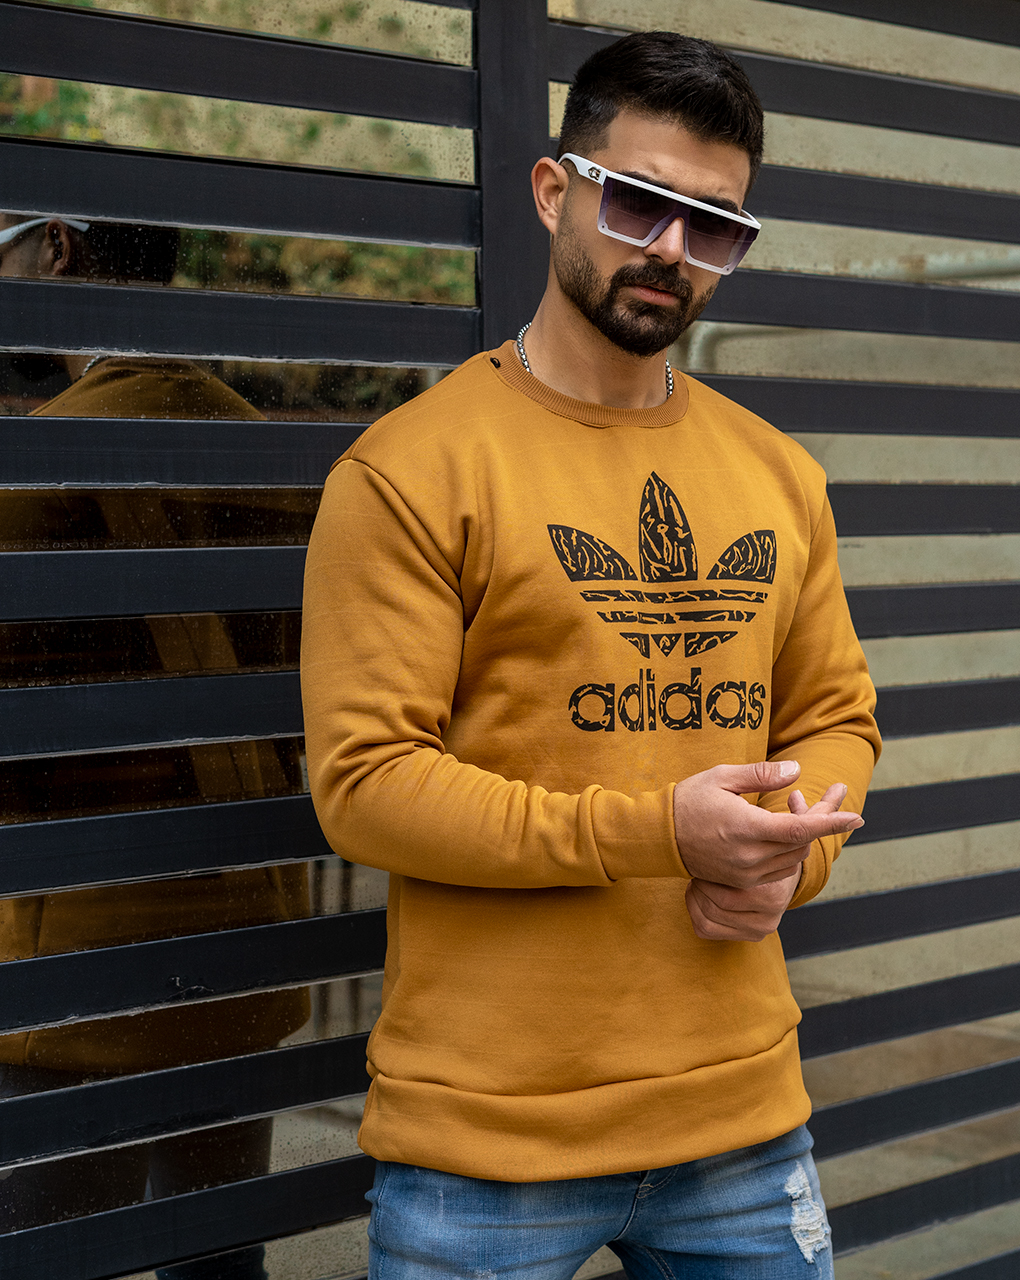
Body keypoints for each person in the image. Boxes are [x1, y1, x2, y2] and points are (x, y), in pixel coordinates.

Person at [300, 31, 880, 1277]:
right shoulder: (409, 470)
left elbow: (835, 717)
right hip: (484, 1143)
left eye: (713, 225)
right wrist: (656, 832)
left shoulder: (777, 473)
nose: (670, 247)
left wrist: (794, 860)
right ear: (554, 190)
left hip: (741, 1121)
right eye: (638, 203)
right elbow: (365, 784)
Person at [0, 213, 311, 1279]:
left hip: (76, 975)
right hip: (245, 948)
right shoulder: (267, 447)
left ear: (57, 249)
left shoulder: (33, 452)